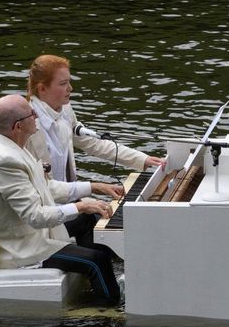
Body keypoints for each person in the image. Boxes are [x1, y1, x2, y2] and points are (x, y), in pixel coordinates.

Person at [0, 94, 122, 304]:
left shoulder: (11, 146)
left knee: (88, 220)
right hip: (18, 248)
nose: (36, 116)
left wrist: (94, 187)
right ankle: (110, 313)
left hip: (31, 233)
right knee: (96, 261)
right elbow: (36, 216)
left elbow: (45, 187)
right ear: (18, 126)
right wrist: (79, 206)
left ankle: (94, 285)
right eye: (31, 114)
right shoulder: (5, 161)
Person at [25, 53, 163, 246]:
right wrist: (94, 188)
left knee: (110, 222)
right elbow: (41, 191)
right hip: (47, 216)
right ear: (42, 88)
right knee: (98, 222)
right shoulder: (27, 128)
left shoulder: (64, 110)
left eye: (69, 82)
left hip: (70, 202)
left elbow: (93, 143)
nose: (70, 88)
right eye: (63, 84)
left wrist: (143, 159)